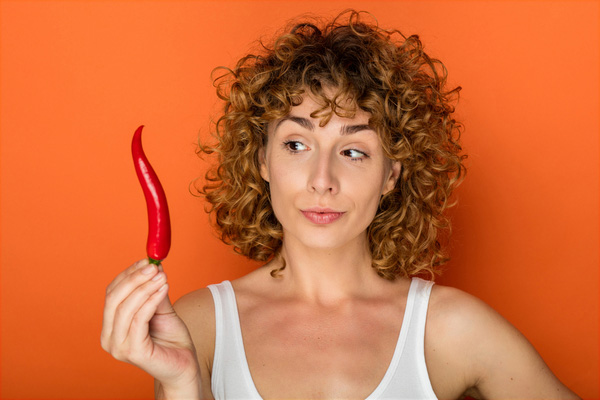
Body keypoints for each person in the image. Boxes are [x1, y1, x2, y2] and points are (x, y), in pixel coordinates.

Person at [101, 10, 580, 399]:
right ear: (262, 159)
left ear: (391, 174)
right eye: (296, 144)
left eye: (354, 151)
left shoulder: (452, 330)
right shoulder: (200, 325)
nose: (322, 181)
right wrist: (182, 382)